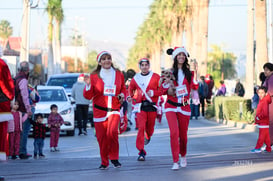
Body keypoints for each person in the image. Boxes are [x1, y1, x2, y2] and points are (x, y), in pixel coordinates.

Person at [83, 51, 126, 170]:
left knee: (112, 133)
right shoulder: (94, 76)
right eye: (104, 59)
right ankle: (104, 161)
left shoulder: (118, 74)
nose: (107, 61)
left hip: (114, 109)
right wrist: (87, 85)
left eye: (108, 58)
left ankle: (114, 157)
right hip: (99, 111)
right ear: (100, 62)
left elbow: (123, 87)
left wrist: (122, 94)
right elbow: (88, 96)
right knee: (101, 138)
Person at [160, 47, 198, 170]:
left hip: (184, 105)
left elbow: (195, 87)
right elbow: (161, 89)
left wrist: (196, 74)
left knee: (183, 136)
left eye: (183, 55)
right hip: (171, 105)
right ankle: (175, 161)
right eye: (179, 55)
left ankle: (183, 156)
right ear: (175, 57)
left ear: (185, 57)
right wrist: (168, 90)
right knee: (173, 133)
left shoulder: (190, 73)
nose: (181, 56)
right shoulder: (168, 72)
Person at [128, 58, 161, 162]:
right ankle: (141, 152)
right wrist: (130, 96)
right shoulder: (136, 78)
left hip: (152, 106)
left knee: (150, 129)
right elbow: (130, 89)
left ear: (149, 66)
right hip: (141, 106)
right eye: (142, 65)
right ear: (140, 67)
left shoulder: (156, 77)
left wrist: (154, 93)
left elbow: (162, 90)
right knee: (141, 128)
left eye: (146, 65)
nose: (144, 67)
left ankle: (148, 135)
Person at [15, 61, 33, 159]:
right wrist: (28, 109)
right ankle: (22, 151)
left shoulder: (16, 78)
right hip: (22, 109)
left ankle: (16, 151)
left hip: (16, 108)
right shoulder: (23, 80)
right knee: (24, 131)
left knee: (18, 131)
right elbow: (25, 96)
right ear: (27, 70)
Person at [0, 47, 15, 161]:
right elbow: (6, 83)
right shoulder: (2, 64)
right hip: (1, 102)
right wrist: (10, 96)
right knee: (1, 133)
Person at [251, 86, 272, 153]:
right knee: (266, 137)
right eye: (259, 93)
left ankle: (257, 148)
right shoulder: (262, 100)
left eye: (262, 93)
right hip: (263, 122)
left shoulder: (264, 101)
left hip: (263, 121)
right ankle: (268, 148)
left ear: (265, 93)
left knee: (261, 136)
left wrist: (258, 117)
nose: (260, 94)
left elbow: (265, 113)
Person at [263, 63, 273, 147]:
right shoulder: (267, 79)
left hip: (271, 104)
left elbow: (271, 91)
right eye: (264, 70)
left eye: (267, 70)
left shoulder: (272, 79)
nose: (265, 71)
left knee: (271, 123)